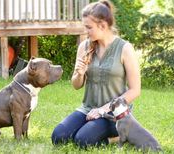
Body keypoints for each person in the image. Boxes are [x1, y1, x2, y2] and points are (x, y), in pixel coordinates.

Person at [51, 0, 141, 149]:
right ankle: (88, 130)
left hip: (114, 114)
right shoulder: (84, 46)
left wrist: (103, 110)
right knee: (58, 137)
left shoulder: (125, 48)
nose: (85, 31)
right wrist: (80, 74)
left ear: (103, 26)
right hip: (87, 109)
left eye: (89, 27)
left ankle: (119, 136)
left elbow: (135, 90)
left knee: (83, 140)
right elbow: (76, 85)